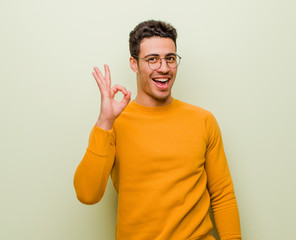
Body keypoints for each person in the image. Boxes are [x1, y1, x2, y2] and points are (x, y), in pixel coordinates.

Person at [74, 20, 241, 240]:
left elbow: (222, 194)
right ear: (134, 64)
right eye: (152, 59)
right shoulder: (114, 124)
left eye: (170, 59)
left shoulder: (203, 120)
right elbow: (87, 194)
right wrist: (104, 122)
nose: (163, 68)